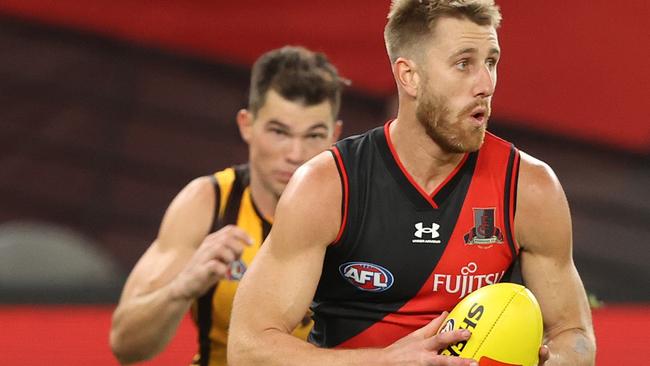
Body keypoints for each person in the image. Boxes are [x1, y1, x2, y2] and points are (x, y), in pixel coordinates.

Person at [228, 1, 595, 365]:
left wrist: (550, 362)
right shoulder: (330, 186)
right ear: (409, 76)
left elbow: (574, 335)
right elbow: (248, 348)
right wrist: (385, 362)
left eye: (491, 62)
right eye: (464, 63)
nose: (485, 84)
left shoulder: (528, 188)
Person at [109, 46, 344, 365]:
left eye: (314, 135)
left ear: (336, 134)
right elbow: (125, 345)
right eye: (278, 132)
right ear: (247, 125)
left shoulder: (356, 208)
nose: (295, 153)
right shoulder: (208, 203)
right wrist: (181, 287)